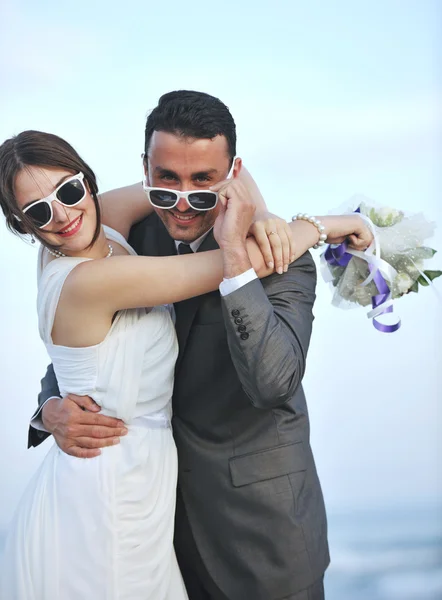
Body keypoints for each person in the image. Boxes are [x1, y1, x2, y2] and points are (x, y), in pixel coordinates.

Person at [25, 92, 372, 600]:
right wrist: (50, 409)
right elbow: (88, 348)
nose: (183, 202)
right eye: (166, 180)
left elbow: (273, 383)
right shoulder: (130, 237)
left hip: (258, 537)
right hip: (151, 526)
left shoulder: (280, 256)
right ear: (145, 170)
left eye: (203, 181)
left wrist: (236, 249)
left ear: (231, 173)